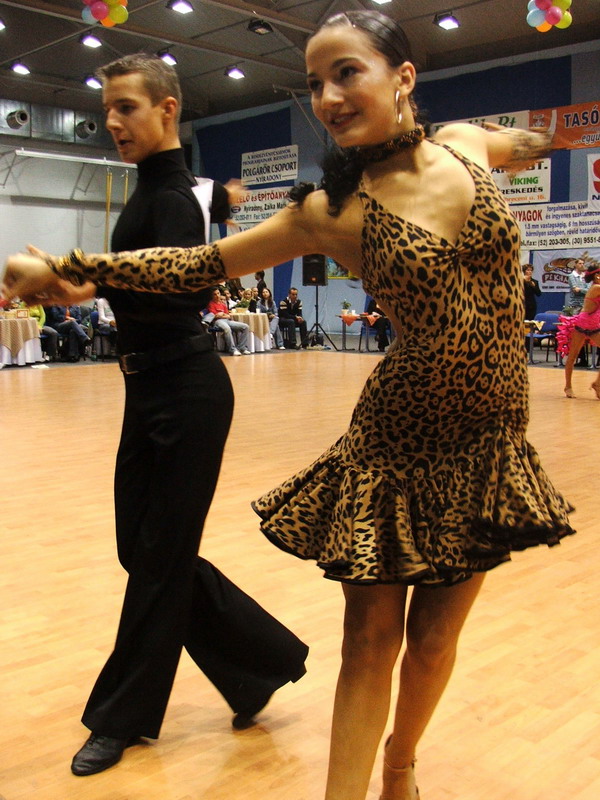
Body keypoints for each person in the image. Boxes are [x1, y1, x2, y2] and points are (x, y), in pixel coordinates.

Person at [3, 12, 574, 800]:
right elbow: (198, 263)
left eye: (347, 72)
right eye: (314, 83)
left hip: (489, 439)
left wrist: (550, 140)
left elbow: (533, 141)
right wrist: (71, 266)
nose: (328, 97)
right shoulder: (329, 211)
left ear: (403, 77)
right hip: (395, 439)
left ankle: (400, 767)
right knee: (369, 641)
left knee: (435, 642)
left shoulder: (466, 145)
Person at [3, 54, 308, 778]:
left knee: (160, 561)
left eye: (127, 107)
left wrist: (70, 274)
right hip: (150, 389)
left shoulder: (173, 197)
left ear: (168, 110)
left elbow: (173, 290)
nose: (112, 121)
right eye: (107, 108)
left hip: (187, 391)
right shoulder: (149, 192)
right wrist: (66, 289)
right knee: (140, 550)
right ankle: (261, 661)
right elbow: (133, 286)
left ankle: (123, 718)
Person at [557, 265, 600, 399]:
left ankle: (597, 384)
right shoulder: (596, 288)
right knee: (572, 356)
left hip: (594, 325)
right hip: (582, 324)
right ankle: (568, 386)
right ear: (596, 276)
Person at [206, 286, 251, 354]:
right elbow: (215, 316)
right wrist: (222, 315)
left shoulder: (223, 304)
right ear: (212, 296)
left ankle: (241, 347)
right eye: (215, 294)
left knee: (246, 327)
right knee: (227, 328)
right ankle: (232, 349)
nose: (217, 295)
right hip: (217, 322)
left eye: (218, 293)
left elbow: (228, 315)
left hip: (227, 321)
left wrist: (222, 314)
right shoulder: (210, 304)